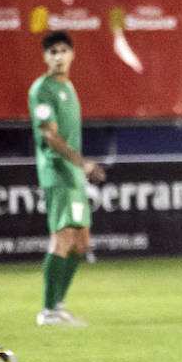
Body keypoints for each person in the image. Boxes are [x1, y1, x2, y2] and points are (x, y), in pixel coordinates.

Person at [29, 30, 105, 327]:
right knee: (63, 238)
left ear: (73, 54)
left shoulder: (69, 87)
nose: (58, 57)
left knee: (82, 243)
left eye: (63, 50)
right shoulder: (42, 89)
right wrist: (82, 163)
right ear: (45, 57)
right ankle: (48, 311)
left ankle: (58, 306)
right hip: (57, 172)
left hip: (72, 173)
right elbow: (49, 136)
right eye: (52, 52)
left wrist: (80, 167)